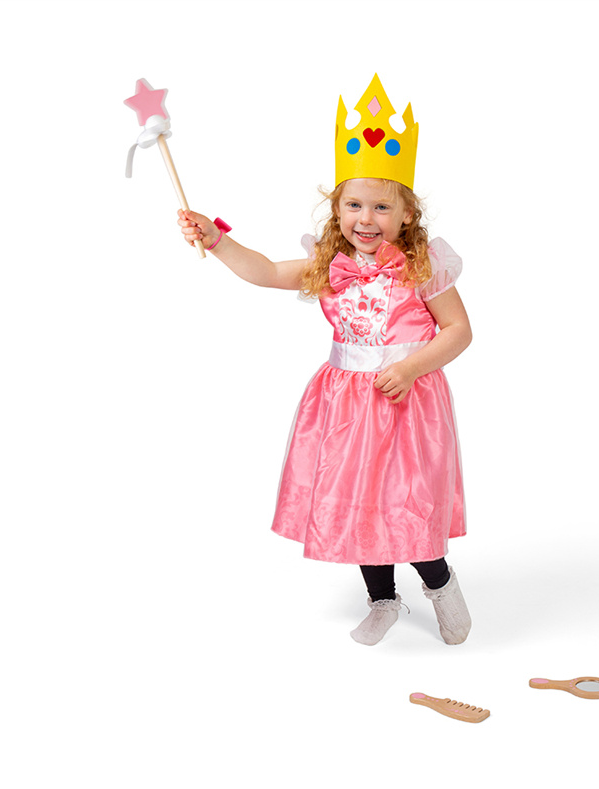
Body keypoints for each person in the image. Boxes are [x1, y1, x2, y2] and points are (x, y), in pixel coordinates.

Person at [177, 75, 472, 646]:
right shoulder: (329, 267)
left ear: (406, 215)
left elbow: (459, 331)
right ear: (336, 210)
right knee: (360, 505)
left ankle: (441, 587)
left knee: (404, 502)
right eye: (354, 205)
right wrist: (216, 239)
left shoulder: (421, 268)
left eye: (382, 206)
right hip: (345, 407)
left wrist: (411, 367)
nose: (367, 218)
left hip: (405, 405)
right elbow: (266, 272)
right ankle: (382, 601)